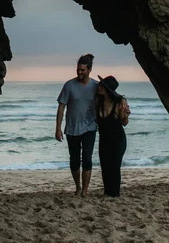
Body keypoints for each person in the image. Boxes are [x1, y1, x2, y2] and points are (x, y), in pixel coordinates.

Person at [56, 53, 98, 197]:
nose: (79, 72)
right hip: (72, 129)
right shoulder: (69, 85)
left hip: (90, 127)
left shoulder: (95, 86)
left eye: (83, 70)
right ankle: (78, 187)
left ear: (89, 70)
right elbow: (61, 107)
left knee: (87, 157)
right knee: (74, 160)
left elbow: (107, 100)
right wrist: (58, 128)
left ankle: (85, 190)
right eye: (78, 69)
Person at [96, 75, 130, 198]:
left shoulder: (120, 102)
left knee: (115, 166)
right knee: (105, 166)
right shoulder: (98, 100)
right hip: (104, 139)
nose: (98, 87)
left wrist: (125, 115)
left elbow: (124, 123)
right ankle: (107, 192)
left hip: (117, 139)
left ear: (107, 89)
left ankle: (115, 193)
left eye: (101, 86)